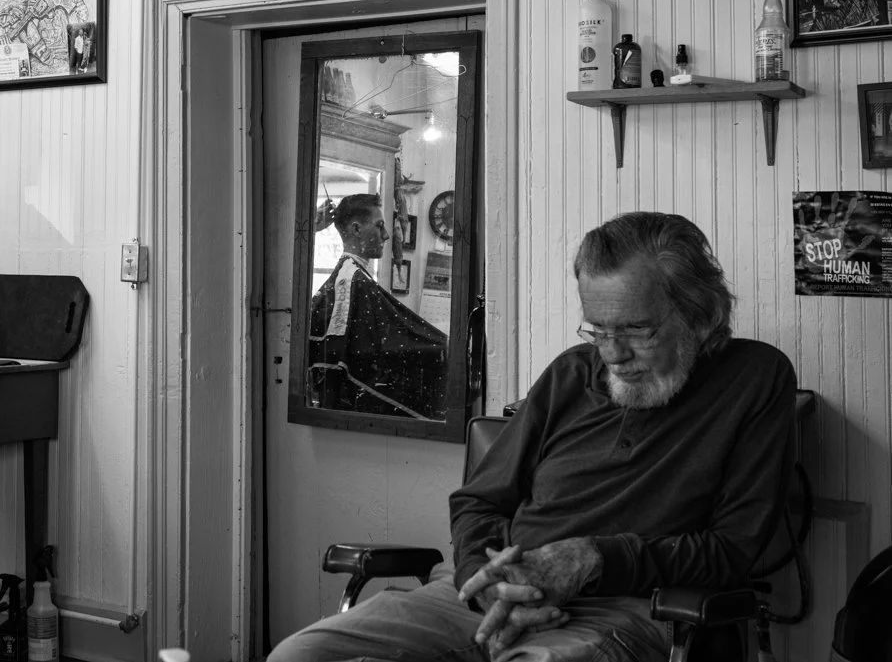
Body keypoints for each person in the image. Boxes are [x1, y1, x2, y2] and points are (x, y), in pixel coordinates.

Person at [270, 211, 797, 662]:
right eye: (598, 330)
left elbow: (733, 550)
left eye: (636, 330)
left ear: (699, 315)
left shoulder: (754, 379)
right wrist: (484, 580)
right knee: (299, 655)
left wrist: (592, 558)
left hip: (626, 607)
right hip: (488, 591)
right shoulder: (572, 373)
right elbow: (479, 501)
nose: (613, 354)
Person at [307, 193, 447, 418]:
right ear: (356, 229)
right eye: (379, 225)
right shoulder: (353, 280)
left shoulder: (351, 278)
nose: (386, 235)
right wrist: (444, 347)